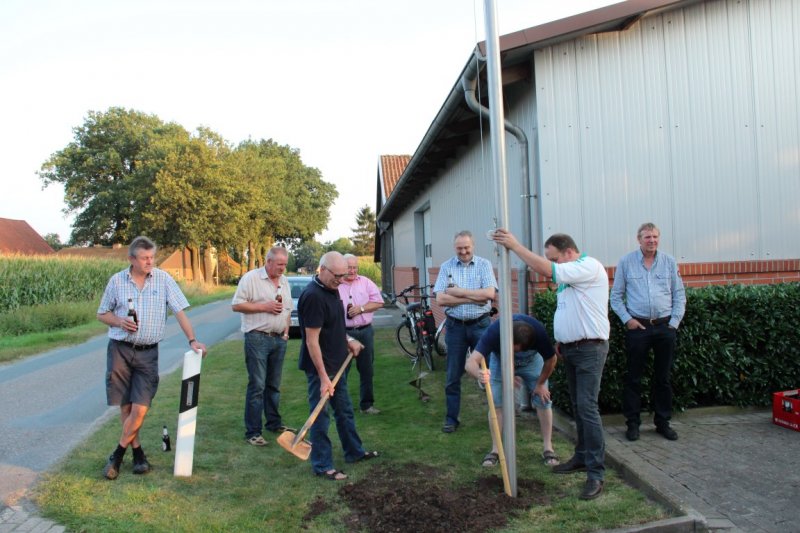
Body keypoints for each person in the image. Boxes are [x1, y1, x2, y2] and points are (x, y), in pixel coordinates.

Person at [493, 229, 609, 501]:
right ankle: (581, 458)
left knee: (588, 408)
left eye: (555, 258)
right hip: (573, 349)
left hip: (590, 350)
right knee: (580, 407)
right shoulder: (573, 275)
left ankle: (596, 472)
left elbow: (548, 271)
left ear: (569, 252)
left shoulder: (587, 266)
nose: (553, 264)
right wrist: (563, 340)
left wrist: (515, 246)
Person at [96, 236, 207, 480]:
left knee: (141, 407)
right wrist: (119, 321)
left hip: (148, 352)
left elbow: (179, 311)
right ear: (131, 259)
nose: (150, 262)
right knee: (126, 405)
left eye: (152, 257)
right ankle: (138, 455)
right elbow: (102, 313)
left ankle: (117, 454)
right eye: (145, 258)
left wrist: (192, 340)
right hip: (120, 349)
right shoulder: (117, 281)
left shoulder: (164, 279)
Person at [297, 252, 379, 481]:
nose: (342, 279)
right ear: (322, 269)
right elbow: (312, 341)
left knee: (344, 412)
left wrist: (348, 341)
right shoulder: (313, 297)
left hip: (337, 364)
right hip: (320, 369)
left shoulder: (332, 290)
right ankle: (322, 465)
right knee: (320, 418)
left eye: (344, 275)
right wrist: (323, 377)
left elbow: (334, 327)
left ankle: (354, 452)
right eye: (337, 275)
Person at [610, 223, 686, 442]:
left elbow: (679, 294)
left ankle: (663, 422)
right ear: (638, 239)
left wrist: (674, 323)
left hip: (664, 327)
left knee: (663, 378)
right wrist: (628, 320)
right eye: (647, 237)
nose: (651, 240)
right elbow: (616, 297)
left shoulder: (669, 262)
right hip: (639, 328)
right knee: (633, 378)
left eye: (655, 237)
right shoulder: (626, 262)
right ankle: (632, 424)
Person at [464, 315, 560, 467]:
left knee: (543, 400)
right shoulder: (495, 332)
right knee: (496, 403)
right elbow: (470, 363)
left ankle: (548, 448)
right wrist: (479, 374)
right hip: (500, 362)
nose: (515, 353)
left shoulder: (538, 333)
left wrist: (540, 384)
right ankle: (496, 450)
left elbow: (551, 359)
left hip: (532, 362)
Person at [434, 230, 498, 434]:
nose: (463, 251)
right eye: (459, 248)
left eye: (466, 247)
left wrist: (459, 292)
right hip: (455, 327)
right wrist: (474, 297)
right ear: (455, 247)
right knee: (453, 375)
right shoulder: (446, 267)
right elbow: (441, 300)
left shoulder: (484, 265)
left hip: (481, 325)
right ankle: (451, 419)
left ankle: (496, 417)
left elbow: (489, 295)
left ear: (473, 245)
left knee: (489, 372)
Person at [231, 246, 293, 446]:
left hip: (278, 339)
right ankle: (253, 432)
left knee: (273, 385)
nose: (283, 268)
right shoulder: (251, 279)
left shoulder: (284, 281)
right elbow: (236, 305)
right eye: (279, 264)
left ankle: (274, 423)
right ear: (268, 261)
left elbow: (288, 310)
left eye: (285, 264)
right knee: (257, 385)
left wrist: (286, 332)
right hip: (257, 338)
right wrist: (264, 306)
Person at [338, 254, 385, 414]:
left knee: (366, 370)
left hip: (365, 331)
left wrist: (361, 308)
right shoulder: (336, 284)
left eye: (354, 267)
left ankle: (367, 405)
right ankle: (340, 406)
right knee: (341, 371)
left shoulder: (365, 282)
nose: (352, 271)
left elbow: (379, 302)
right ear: (342, 267)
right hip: (342, 333)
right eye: (348, 267)